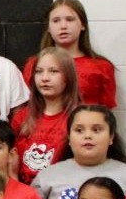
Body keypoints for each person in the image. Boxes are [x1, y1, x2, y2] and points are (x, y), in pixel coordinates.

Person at [22, 0, 116, 108]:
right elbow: (28, 107)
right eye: (56, 21)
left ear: (83, 25)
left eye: (70, 19)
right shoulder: (34, 64)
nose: (63, 26)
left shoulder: (101, 66)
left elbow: (106, 113)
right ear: (48, 27)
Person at [11, 47, 81, 184]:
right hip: (25, 189)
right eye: (39, 72)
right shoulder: (22, 116)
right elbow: (9, 156)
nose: (44, 78)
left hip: (61, 189)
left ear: (68, 77)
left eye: (53, 71)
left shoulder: (78, 117)